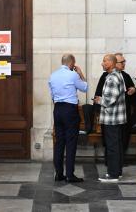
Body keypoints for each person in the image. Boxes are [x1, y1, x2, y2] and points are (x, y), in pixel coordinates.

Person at [49, 53, 87, 183]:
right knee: (71, 143)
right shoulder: (73, 74)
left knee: (59, 142)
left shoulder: (53, 75)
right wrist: (80, 73)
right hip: (70, 110)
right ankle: (70, 175)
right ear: (72, 63)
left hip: (57, 109)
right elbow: (85, 87)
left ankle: (59, 174)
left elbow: (52, 95)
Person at [98, 54, 126, 182]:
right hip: (115, 117)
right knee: (116, 144)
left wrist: (99, 100)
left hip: (112, 118)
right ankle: (117, 172)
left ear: (111, 63)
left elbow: (110, 99)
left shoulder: (112, 78)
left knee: (112, 146)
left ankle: (113, 174)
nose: (102, 63)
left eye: (104, 61)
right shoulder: (116, 75)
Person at [115, 53, 136, 163]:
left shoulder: (126, 75)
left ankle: (121, 158)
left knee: (125, 135)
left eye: (124, 61)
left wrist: (133, 89)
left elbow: (132, 89)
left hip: (125, 112)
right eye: (122, 62)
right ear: (115, 63)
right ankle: (113, 160)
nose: (124, 64)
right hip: (113, 114)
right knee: (114, 137)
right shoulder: (107, 76)